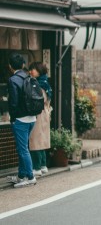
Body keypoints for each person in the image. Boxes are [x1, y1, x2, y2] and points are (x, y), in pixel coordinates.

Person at [6, 53, 37, 188]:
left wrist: (12, 118)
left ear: (10, 66)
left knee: (23, 149)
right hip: (32, 118)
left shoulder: (13, 80)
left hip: (20, 120)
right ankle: (21, 175)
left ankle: (30, 177)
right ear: (23, 65)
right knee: (23, 148)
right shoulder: (29, 77)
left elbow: (13, 102)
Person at [29, 62, 52, 176]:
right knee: (41, 139)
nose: (31, 71)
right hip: (45, 114)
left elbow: (36, 101)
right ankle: (43, 165)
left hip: (38, 114)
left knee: (35, 140)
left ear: (39, 70)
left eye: (33, 69)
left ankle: (36, 167)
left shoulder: (37, 84)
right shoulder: (45, 83)